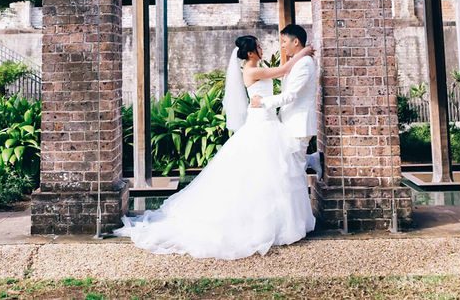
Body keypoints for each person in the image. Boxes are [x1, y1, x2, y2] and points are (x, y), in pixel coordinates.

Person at [112, 34, 316, 259]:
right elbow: (283, 70)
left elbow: (280, 71)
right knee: (262, 174)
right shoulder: (251, 70)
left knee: (272, 174)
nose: (262, 47)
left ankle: (277, 223)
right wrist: (303, 53)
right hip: (260, 124)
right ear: (250, 53)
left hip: (268, 123)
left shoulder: (258, 67)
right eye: (258, 45)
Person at [250, 23, 322, 180]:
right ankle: (312, 159)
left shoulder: (304, 64)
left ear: (295, 42)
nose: (282, 46)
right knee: (289, 167)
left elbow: (290, 95)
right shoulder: (298, 62)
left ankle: (311, 162)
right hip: (290, 124)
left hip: (299, 125)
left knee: (294, 173)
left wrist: (263, 102)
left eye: (284, 41)